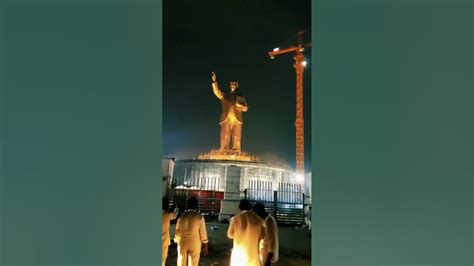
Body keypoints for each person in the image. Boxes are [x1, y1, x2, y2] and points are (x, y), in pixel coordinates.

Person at [211, 71, 249, 152]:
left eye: (234, 84)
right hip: (226, 118)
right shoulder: (224, 96)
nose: (232, 85)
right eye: (231, 84)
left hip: (237, 119)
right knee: (225, 135)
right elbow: (217, 92)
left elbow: (246, 108)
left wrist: (238, 105)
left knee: (236, 136)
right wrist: (214, 82)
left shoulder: (240, 97)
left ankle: (236, 150)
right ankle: (223, 149)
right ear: (229, 85)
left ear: (237, 86)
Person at [227, 199, 264, 266]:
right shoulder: (259, 219)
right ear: (250, 207)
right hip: (252, 255)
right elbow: (262, 235)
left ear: (240, 207)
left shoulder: (235, 219)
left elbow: (229, 234)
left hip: (239, 256)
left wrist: (239, 234)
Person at [174, 197, 209, 266]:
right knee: (193, 263)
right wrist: (205, 246)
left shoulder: (181, 217)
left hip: (182, 242)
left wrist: (178, 243)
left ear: (187, 206)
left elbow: (177, 232)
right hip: (195, 243)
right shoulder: (199, 217)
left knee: (181, 263)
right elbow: (203, 233)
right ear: (196, 206)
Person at [162, 197, 178, 266]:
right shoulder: (168, 215)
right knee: (162, 260)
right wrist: (176, 207)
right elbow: (175, 215)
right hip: (164, 242)